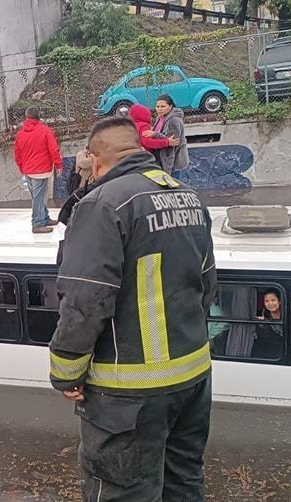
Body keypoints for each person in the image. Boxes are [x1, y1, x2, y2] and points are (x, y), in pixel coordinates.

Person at [49, 117, 217, 501]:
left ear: (93, 158)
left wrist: (66, 373)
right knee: (183, 483)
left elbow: (85, 301)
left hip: (129, 397)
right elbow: (207, 287)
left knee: (123, 493)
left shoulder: (102, 205)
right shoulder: (187, 195)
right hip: (192, 380)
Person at [13, 107, 63, 234]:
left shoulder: (20, 134)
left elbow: (17, 153)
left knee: (38, 197)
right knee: (39, 198)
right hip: (41, 170)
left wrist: (22, 168)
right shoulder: (45, 130)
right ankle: (37, 223)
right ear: (38, 117)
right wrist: (58, 165)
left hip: (28, 170)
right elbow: (53, 149)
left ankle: (44, 217)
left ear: (26, 117)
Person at [153, 95, 190, 173]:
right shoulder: (159, 118)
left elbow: (173, 142)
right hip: (164, 161)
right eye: (157, 106)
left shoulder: (174, 120)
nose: (159, 109)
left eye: (163, 106)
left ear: (170, 107)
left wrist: (154, 134)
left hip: (174, 163)